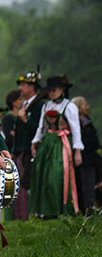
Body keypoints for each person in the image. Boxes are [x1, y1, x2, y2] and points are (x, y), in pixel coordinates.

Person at [29, 76, 83, 217]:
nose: (51, 93)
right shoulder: (46, 106)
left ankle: (63, 209)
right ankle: (46, 211)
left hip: (62, 144)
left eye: (54, 90)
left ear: (62, 89)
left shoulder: (69, 106)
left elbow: (76, 130)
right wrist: (35, 143)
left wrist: (77, 151)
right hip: (48, 144)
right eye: (49, 91)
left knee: (59, 176)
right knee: (45, 176)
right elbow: (42, 127)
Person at [12, 70, 45, 220]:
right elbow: (18, 132)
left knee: (31, 182)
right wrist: (14, 150)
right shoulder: (25, 105)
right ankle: (27, 215)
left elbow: (39, 128)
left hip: (34, 150)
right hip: (22, 150)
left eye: (24, 85)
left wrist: (25, 120)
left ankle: (36, 213)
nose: (20, 88)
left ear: (32, 87)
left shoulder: (39, 106)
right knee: (23, 183)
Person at [72, 96, 100, 215]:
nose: (87, 107)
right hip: (81, 159)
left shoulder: (87, 121)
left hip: (89, 159)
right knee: (81, 187)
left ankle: (89, 212)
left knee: (89, 187)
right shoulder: (75, 124)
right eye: (84, 105)